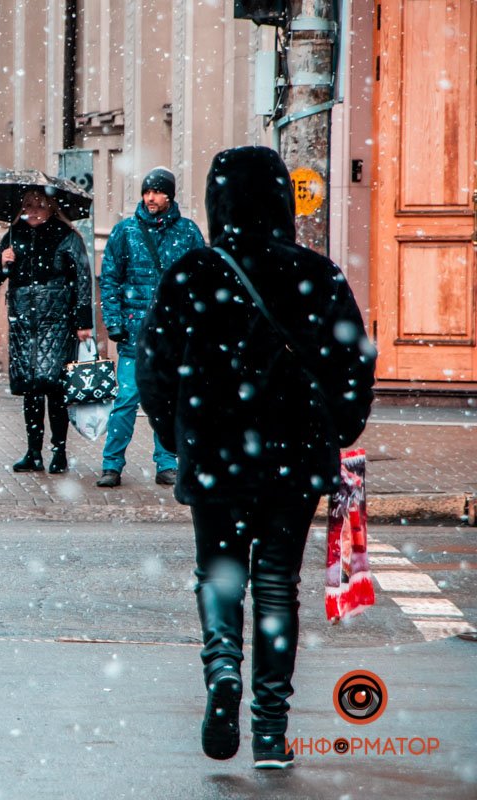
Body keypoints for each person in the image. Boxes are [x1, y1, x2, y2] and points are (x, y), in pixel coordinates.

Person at [136, 146, 375, 769]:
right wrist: (336, 427)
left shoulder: (192, 272)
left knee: (219, 574)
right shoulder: (318, 276)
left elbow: (153, 368)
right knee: (276, 587)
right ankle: (270, 729)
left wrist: (177, 433)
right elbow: (355, 365)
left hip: (216, 453)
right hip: (294, 457)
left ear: (218, 204)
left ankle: (222, 673)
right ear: (281, 203)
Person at [95, 167, 205, 488]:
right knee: (126, 401)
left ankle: (167, 463)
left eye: (156, 192)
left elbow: (201, 280)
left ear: (169, 195)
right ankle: (111, 464)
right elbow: (111, 279)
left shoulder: (187, 232)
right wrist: (114, 322)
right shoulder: (125, 232)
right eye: (147, 192)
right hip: (134, 333)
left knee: (169, 401)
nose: (150, 198)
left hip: (173, 336)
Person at [0, 189, 92, 474]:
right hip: (23, 323)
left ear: (51, 208)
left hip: (57, 320)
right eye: (28, 205)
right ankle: (33, 452)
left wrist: (83, 323)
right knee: (31, 389)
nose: (33, 210)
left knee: (54, 388)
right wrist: (1, 263)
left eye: (39, 205)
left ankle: (59, 451)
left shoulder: (66, 237)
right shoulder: (12, 235)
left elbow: (82, 280)